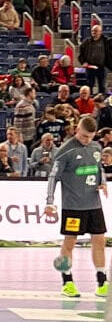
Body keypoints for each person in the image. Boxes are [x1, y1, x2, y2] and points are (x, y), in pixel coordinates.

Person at [45, 115, 108, 298]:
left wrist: (102, 182)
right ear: (76, 130)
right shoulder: (65, 151)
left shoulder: (96, 147)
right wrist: (50, 202)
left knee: (99, 240)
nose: (86, 140)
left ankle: (102, 281)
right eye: (83, 136)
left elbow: (99, 168)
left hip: (93, 204)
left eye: (90, 137)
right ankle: (67, 282)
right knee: (70, 242)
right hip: (73, 206)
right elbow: (53, 177)